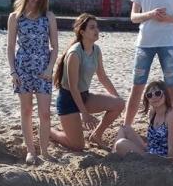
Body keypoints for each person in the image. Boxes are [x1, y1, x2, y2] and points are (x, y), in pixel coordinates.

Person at [50, 13, 125, 150]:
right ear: (82, 32)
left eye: (97, 27)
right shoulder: (74, 53)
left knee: (119, 103)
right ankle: (49, 131)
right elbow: (73, 87)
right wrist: (84, 114)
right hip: (68, 100)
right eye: (92, 27)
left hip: (84, 96)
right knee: (77, 146)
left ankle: (96, 135)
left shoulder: (96, 50)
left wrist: (116, 97)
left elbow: (102, 77)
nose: (96, 30)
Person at [7, 0, 58, 164]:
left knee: (44, 113)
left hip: (44, 70)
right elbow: (10, 48)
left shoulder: (49, 17)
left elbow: (55, 47)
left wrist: (50, 68)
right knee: (26, 111)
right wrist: (13, 72)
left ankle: (44, 151)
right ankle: (31, 151)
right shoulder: (15, 17)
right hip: (23, 69)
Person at [113, 80, 173, 161]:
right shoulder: (152, 113)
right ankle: (112, 155)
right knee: (125, 128)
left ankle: (115, 156)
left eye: (157, 93)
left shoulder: (172, 115)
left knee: (121, 144)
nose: (154, 97)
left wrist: (169, 164)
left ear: (166, 94)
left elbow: (172, 149)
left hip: (160, 159)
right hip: (150, 151)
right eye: (149, 95)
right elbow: (152, 141)